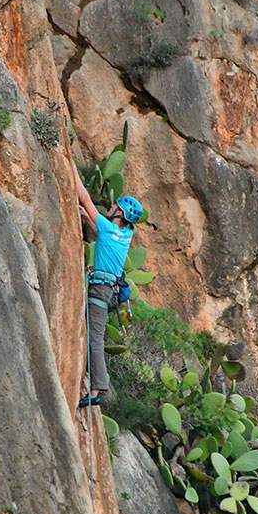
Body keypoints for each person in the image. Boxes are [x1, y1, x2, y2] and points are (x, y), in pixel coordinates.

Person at [75, 167, 144, 408]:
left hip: (101, 291)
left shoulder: (108, 228)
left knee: (95, 339)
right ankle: (97, 385)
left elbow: (84, 197)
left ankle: (97, 389)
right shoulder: (125, 234)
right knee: (94, 335)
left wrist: (69, 164)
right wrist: (84, 214)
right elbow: (91, 219)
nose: (111, 207)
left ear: (119, 213)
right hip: (109, 290)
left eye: (115, 206)